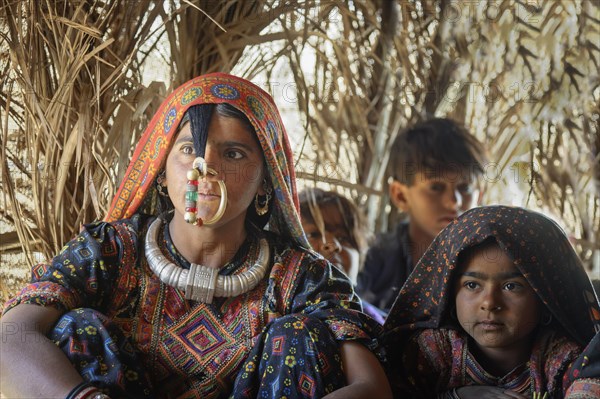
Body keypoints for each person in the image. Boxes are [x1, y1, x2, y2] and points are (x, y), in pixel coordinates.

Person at [0, 73, 392, 399]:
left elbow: (371, 388)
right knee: (79, 327)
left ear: (265, 183)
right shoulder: (109, 251)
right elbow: (9, 338)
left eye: (233, 154)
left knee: (299, 335)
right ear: (161, 168)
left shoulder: (302, 278)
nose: (205, 170)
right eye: (188, 149)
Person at [381, 205, 600, 398]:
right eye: (472, 285)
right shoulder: (431, 351)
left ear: (545, 298)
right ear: (449, 293)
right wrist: (455, 397)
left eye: (511, 286)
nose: (489, 303)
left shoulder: (562, 360)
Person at [356, 118, 487, 313]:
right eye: (436, 187)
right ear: (400, 196)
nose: (454, 202)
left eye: (465, 187)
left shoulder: (490, 260)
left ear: (480, 195)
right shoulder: (371, 259)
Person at [298, 188, 385, 324]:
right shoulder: (277, 322)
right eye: (313, 234)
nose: (333, 245)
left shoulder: (381, 326)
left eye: (343, 237)